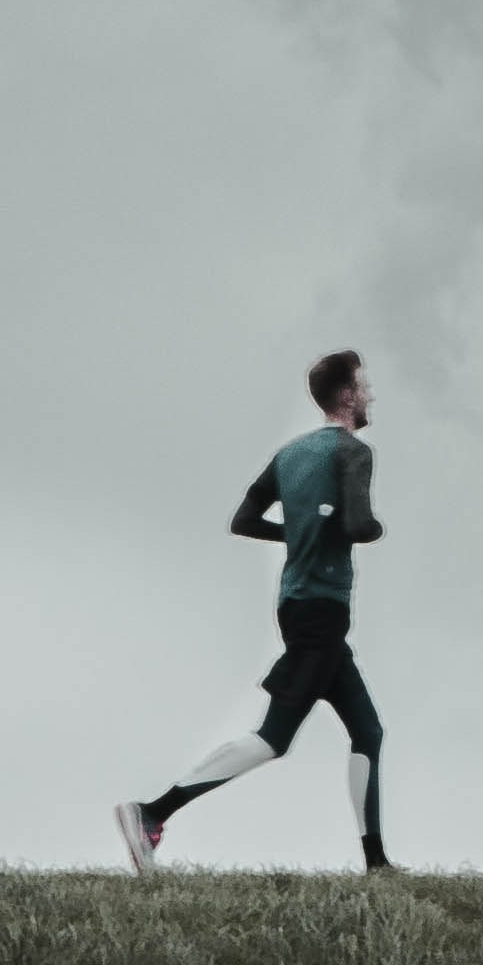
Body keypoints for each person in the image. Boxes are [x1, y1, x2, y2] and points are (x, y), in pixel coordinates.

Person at [114, 349, 390, 873]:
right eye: (365, 386)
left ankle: (376, 863)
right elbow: (359, 526)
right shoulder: (353, 452)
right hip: (323, 611)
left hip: (297, 607)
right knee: (271, 739)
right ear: (348, 396)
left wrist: (297, 532)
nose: (370, 394)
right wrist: (371, 528)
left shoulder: (289, 455)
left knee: (368, 731)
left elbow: (244, 520)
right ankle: (151, 812)